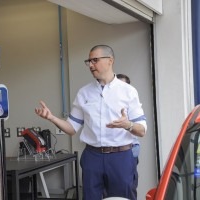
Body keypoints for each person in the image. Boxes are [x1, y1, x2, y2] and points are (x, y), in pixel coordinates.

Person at [35, 45, 147, 200]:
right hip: (92, 157)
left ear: (110, 61)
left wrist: (127, 124)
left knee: (122, 198)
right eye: (89, 61)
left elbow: (142, 130)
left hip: (120, 157)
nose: (91, 65)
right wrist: (52, 117)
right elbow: (72, 128)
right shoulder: (84, 92)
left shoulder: (128, 91)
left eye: (95, 60)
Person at [116, 73, 140, 199]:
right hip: (110, 156)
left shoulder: (132, 106)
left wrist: (127, 124)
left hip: (129, 153)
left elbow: (141, 129)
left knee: (128, 189)